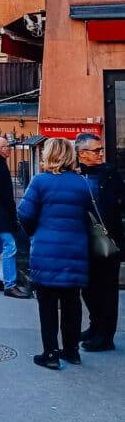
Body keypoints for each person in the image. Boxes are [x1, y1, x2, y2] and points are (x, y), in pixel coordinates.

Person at [18, 138, 91, 369]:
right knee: (72, 301)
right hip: (76, 250)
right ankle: (71, 350)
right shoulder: (82, 183)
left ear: (48, 155)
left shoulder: (40, 182)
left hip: (46, 250)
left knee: (47, 305)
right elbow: (89, 217)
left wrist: (34, 233)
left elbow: (25, 214)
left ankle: (50, 354)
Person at [75, 131, 124, 351]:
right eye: (96, 150)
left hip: (107, 241)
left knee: (107, 290)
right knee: (88, 287)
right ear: (81, 153)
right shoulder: (76, 174)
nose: (100, 154)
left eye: (101, 149)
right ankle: (95, 326)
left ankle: (106, 336)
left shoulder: (109, 174)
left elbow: (117, 204)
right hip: (83, 241)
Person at [0, 137, 31, 298]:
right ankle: (10, 285)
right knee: (10, 247)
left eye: (8, 146)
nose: (8, 149)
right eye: (5, 147)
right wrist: (10, 208)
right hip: (1, 214)